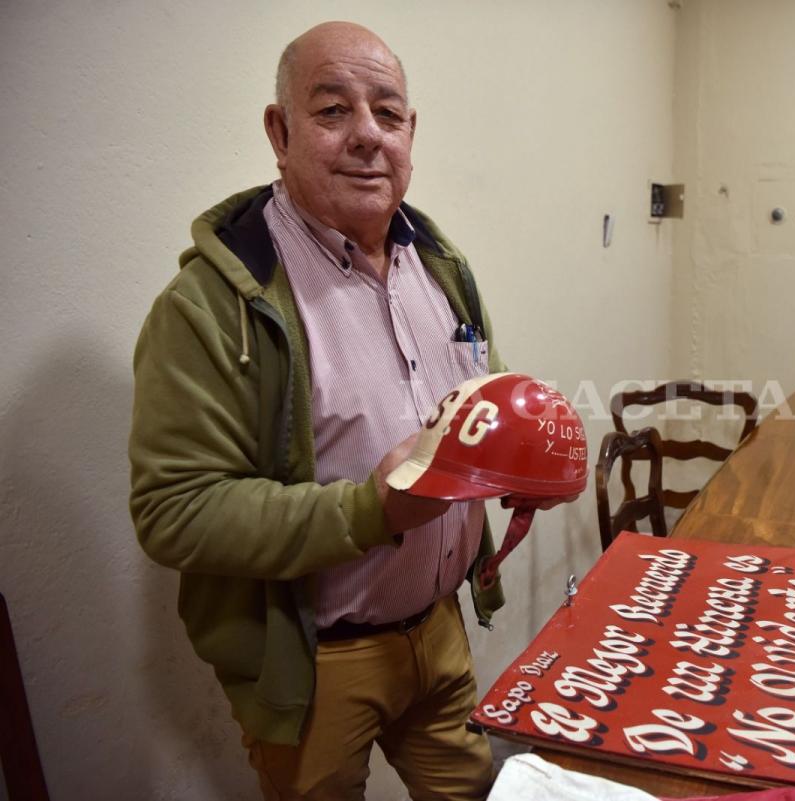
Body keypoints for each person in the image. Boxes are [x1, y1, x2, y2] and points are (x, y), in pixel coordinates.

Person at [129, 21, 536, 800]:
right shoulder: (208, 307)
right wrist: (369, 509)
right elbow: (173, 511)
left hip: (440, 626)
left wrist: (519, 452)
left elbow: (475, 398)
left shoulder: (440, 263)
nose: (366, 136)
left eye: (387, 113)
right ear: (279, 132)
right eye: (332, 111)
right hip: (317, 661)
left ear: (411, 133)